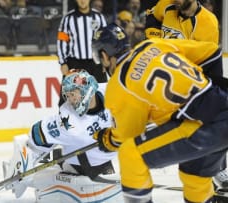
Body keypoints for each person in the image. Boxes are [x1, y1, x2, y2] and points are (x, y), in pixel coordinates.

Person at [91, 23, 227, 203]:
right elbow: (212, 52)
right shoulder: (153, 44)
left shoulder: (119, 85)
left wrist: (107, 139)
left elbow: (127, 137)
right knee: (193, 178)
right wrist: (207, 87)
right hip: (220, 106)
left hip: (204, 124)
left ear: (104, 55)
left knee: (131, 155)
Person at [2, 69, 122, 202]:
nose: (71, 100)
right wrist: (22, 165)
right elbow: (36, 135)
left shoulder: (110, 90)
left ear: (87, 90)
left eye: (73, 94)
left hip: (104, 158)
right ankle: (52, 176)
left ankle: (59, 164)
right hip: (84, 164)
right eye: (68, 95)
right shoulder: (68, 122)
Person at [144, 0, 227, 190]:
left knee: (211, 119)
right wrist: (153, 34)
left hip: (200, 75)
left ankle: (218, 168)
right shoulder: (165, 5)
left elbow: (208, 58)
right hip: (169, 75)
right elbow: (151, 15)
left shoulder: (208, 22)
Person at [57, 0, 108, 106]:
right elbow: (62, 40)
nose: (82, 1)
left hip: (96, 63)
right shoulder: (68, 18)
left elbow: (105, 39)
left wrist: (105, 60)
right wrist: (63, 62)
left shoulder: (99, 17)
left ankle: (103, 121)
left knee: (102, 95)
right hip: (75, 63)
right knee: (67, 98)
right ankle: (65, 121)